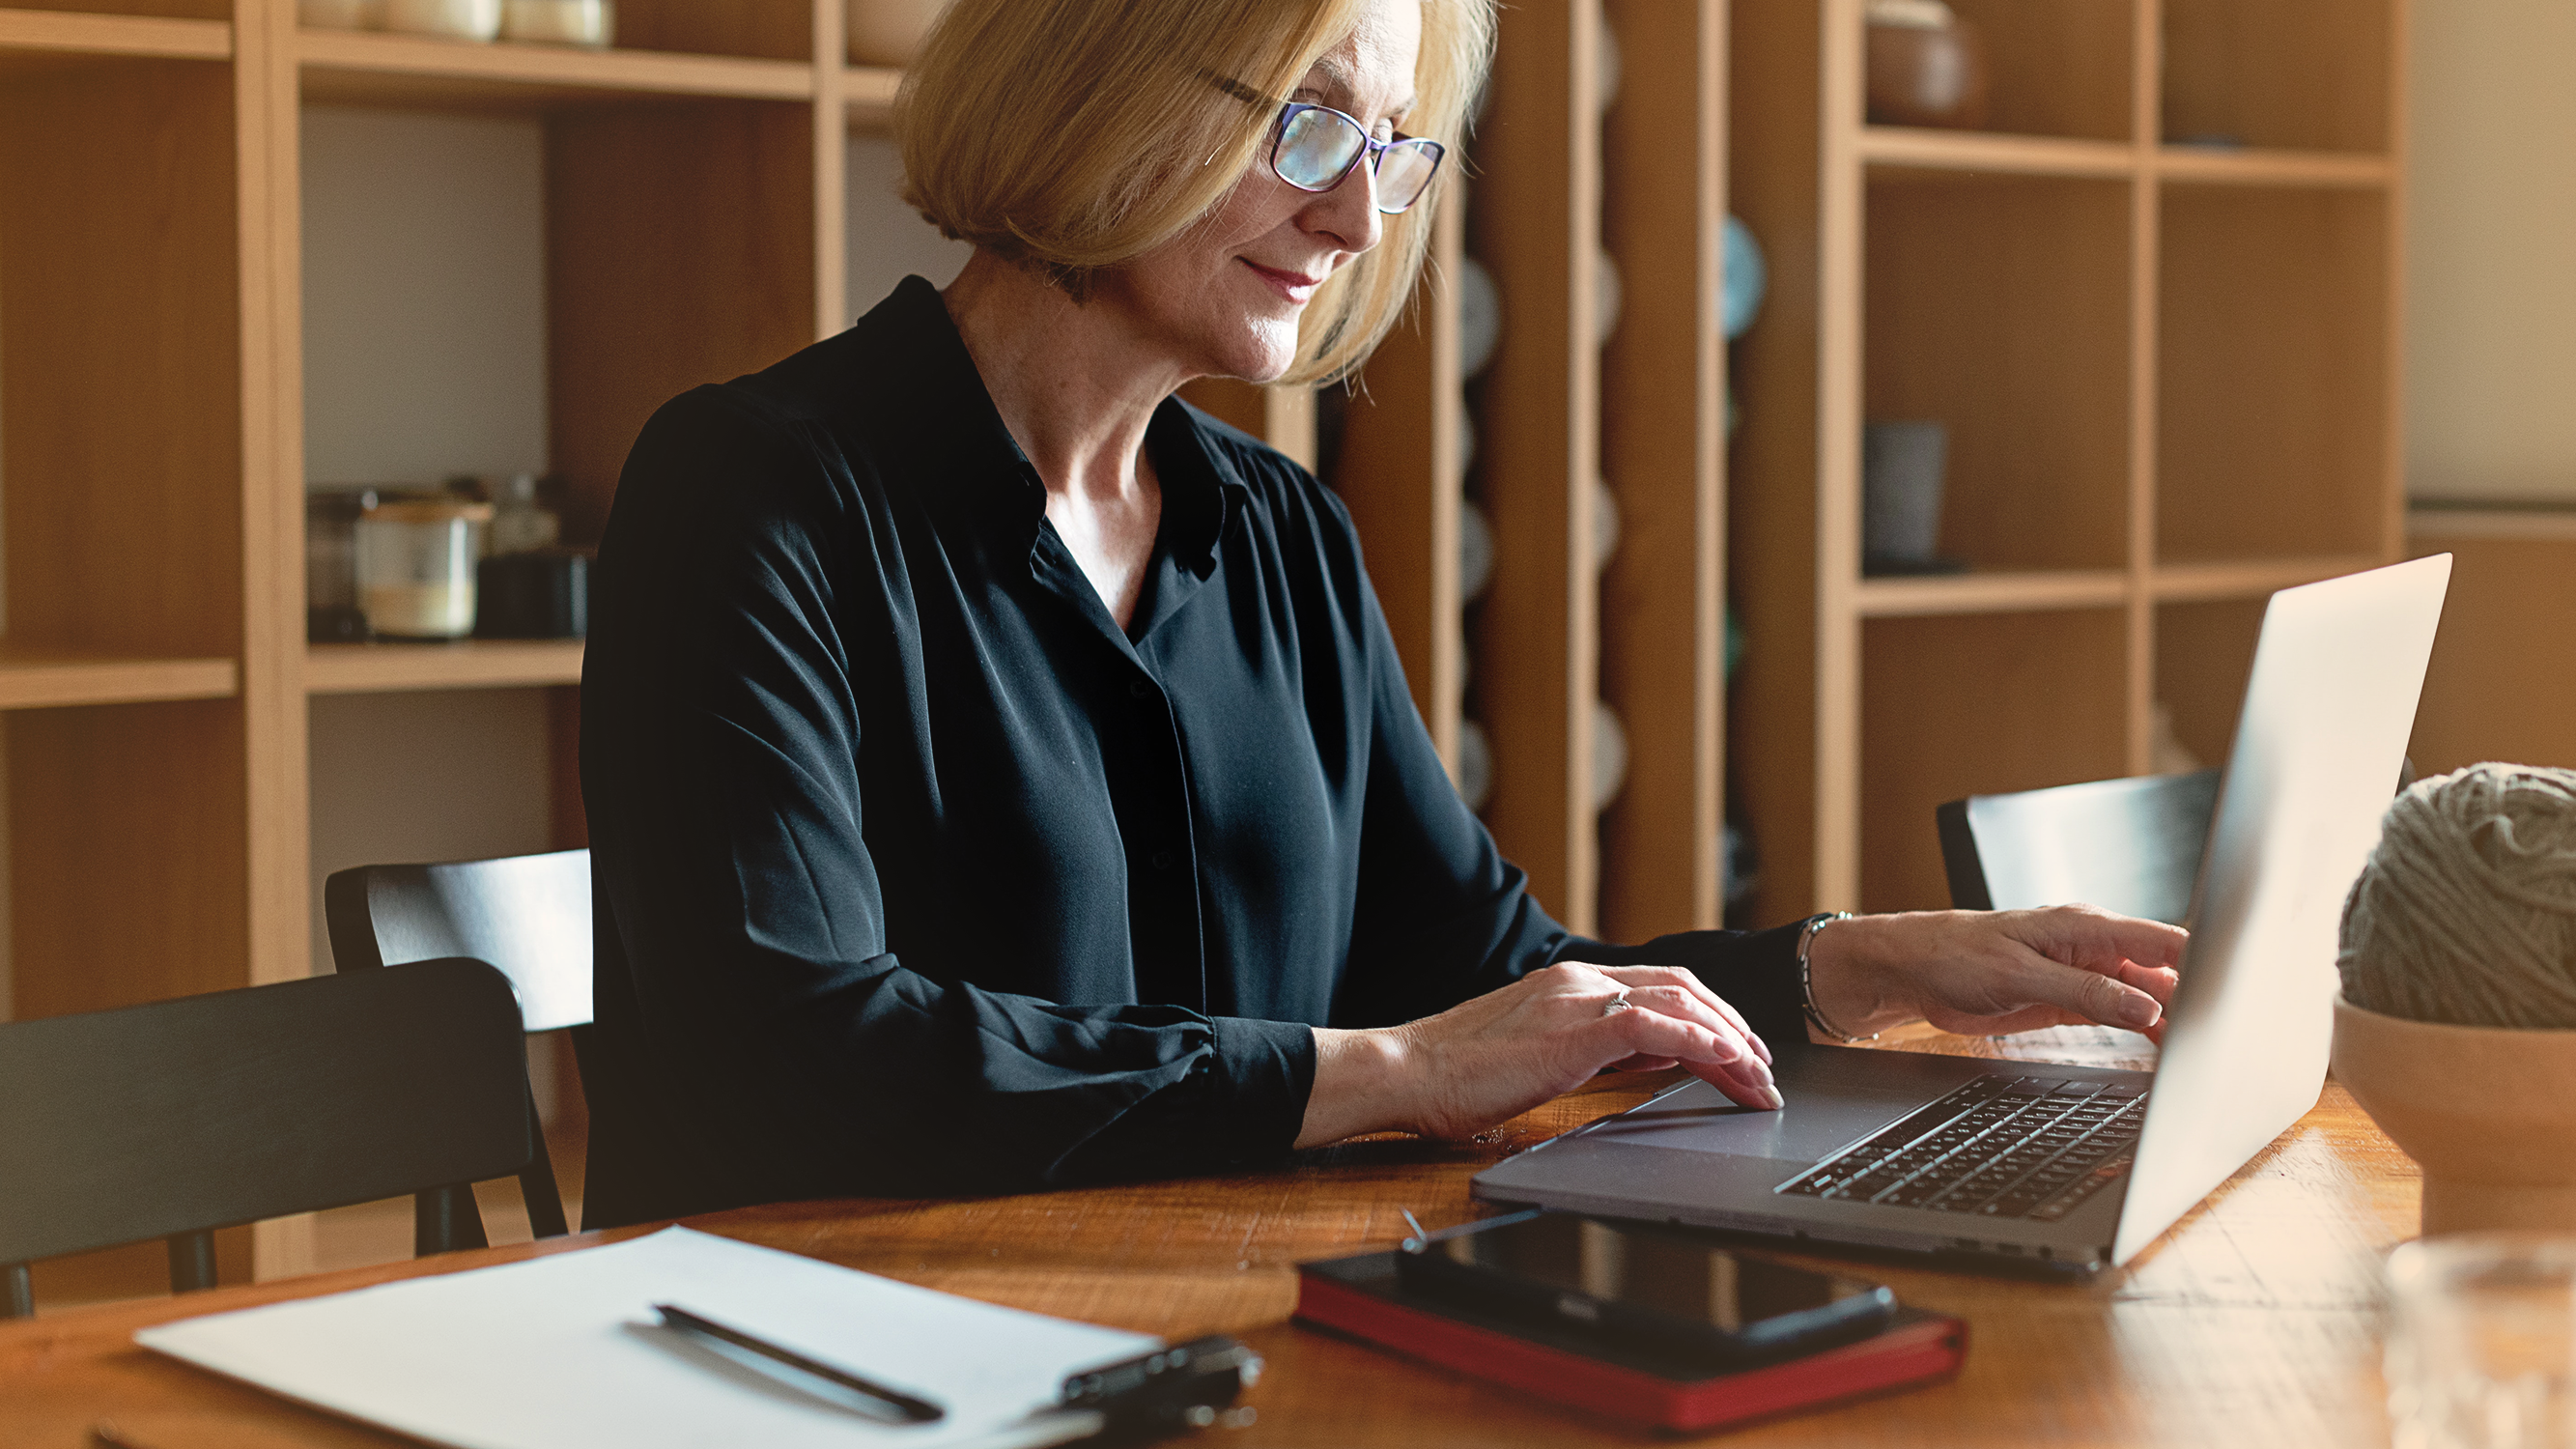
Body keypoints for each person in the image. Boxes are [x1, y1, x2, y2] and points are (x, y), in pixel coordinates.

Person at [574, 0, 2186, 1229]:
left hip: (1199, 1328)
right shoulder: (755, 491)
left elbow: (1488, 974)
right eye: (1306, 128)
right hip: (836, 1365)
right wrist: (1390, 1074)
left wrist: (1859, 966)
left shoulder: (1278, 535)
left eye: (1390, 147)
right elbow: (788, 1058)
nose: (1357, 221)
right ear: (1100, 82)